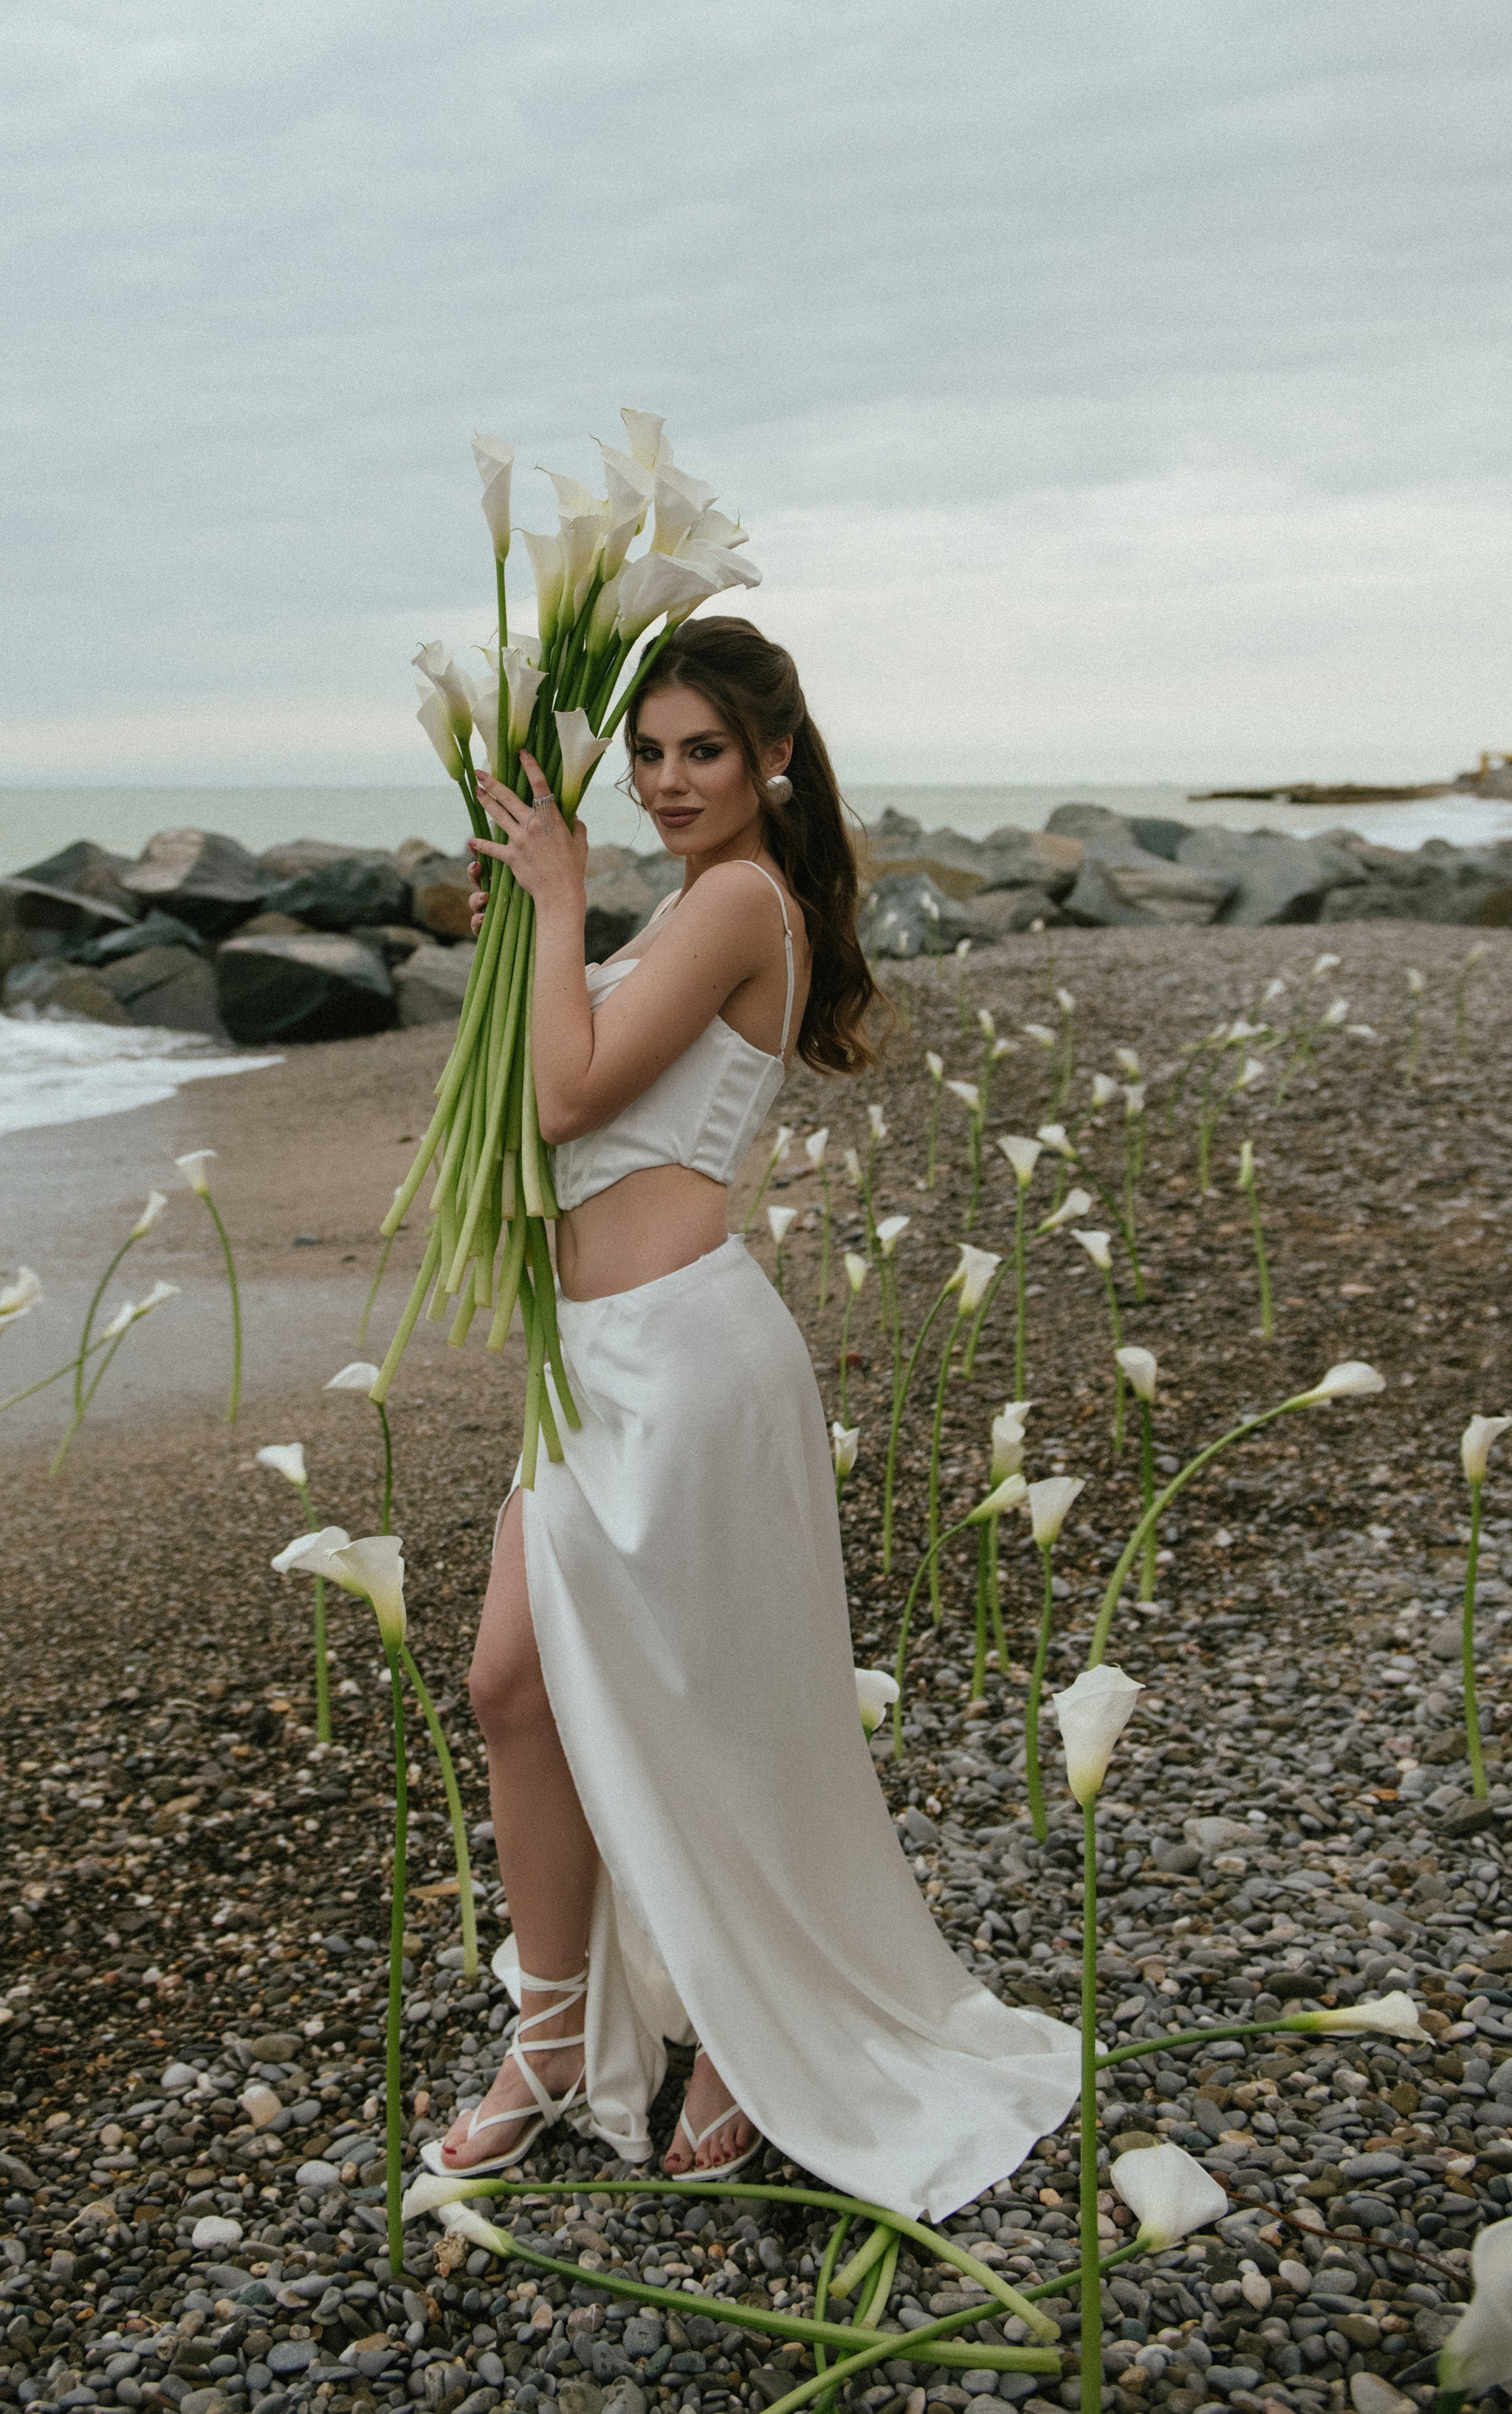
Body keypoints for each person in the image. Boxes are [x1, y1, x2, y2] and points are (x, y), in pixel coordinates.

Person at [433, 616, 1077, 2214]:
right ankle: (551, 2034)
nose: (662, 779)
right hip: (589, 1360)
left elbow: (570, 1100)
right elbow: (549, 1090)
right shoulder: (683, 901)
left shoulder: (735, 896)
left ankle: (744, 2024)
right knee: (511, 1684)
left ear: (770, 756)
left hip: (684, 1361)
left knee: (725, 1711)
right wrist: (524, 941)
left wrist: (559, 896)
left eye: (698, 751)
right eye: (644, 750)